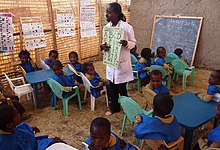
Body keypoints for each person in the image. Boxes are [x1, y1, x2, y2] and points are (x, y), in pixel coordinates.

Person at [100, 2, 136, 116]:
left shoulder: (127, 27)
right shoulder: (106, 28)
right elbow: (103, 41)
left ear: (117, 13)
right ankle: (114, 108)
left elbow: (133, 43)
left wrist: (126, 43)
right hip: (111, 62)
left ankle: (127, 108)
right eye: (107, 12)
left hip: (121, 63)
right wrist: (102, 46)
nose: (106, 15)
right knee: (112, 87)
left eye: (109, 12)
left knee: (122, 89)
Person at [0, 103, 65, 150]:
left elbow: (20, 131)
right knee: (58, 142)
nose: (19, 115)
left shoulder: (9, 129)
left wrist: (31, 128)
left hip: (33, 144)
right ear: (9, 125)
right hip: (35, 147)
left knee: (57, 140)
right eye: (17, 114)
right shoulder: (8, 145)